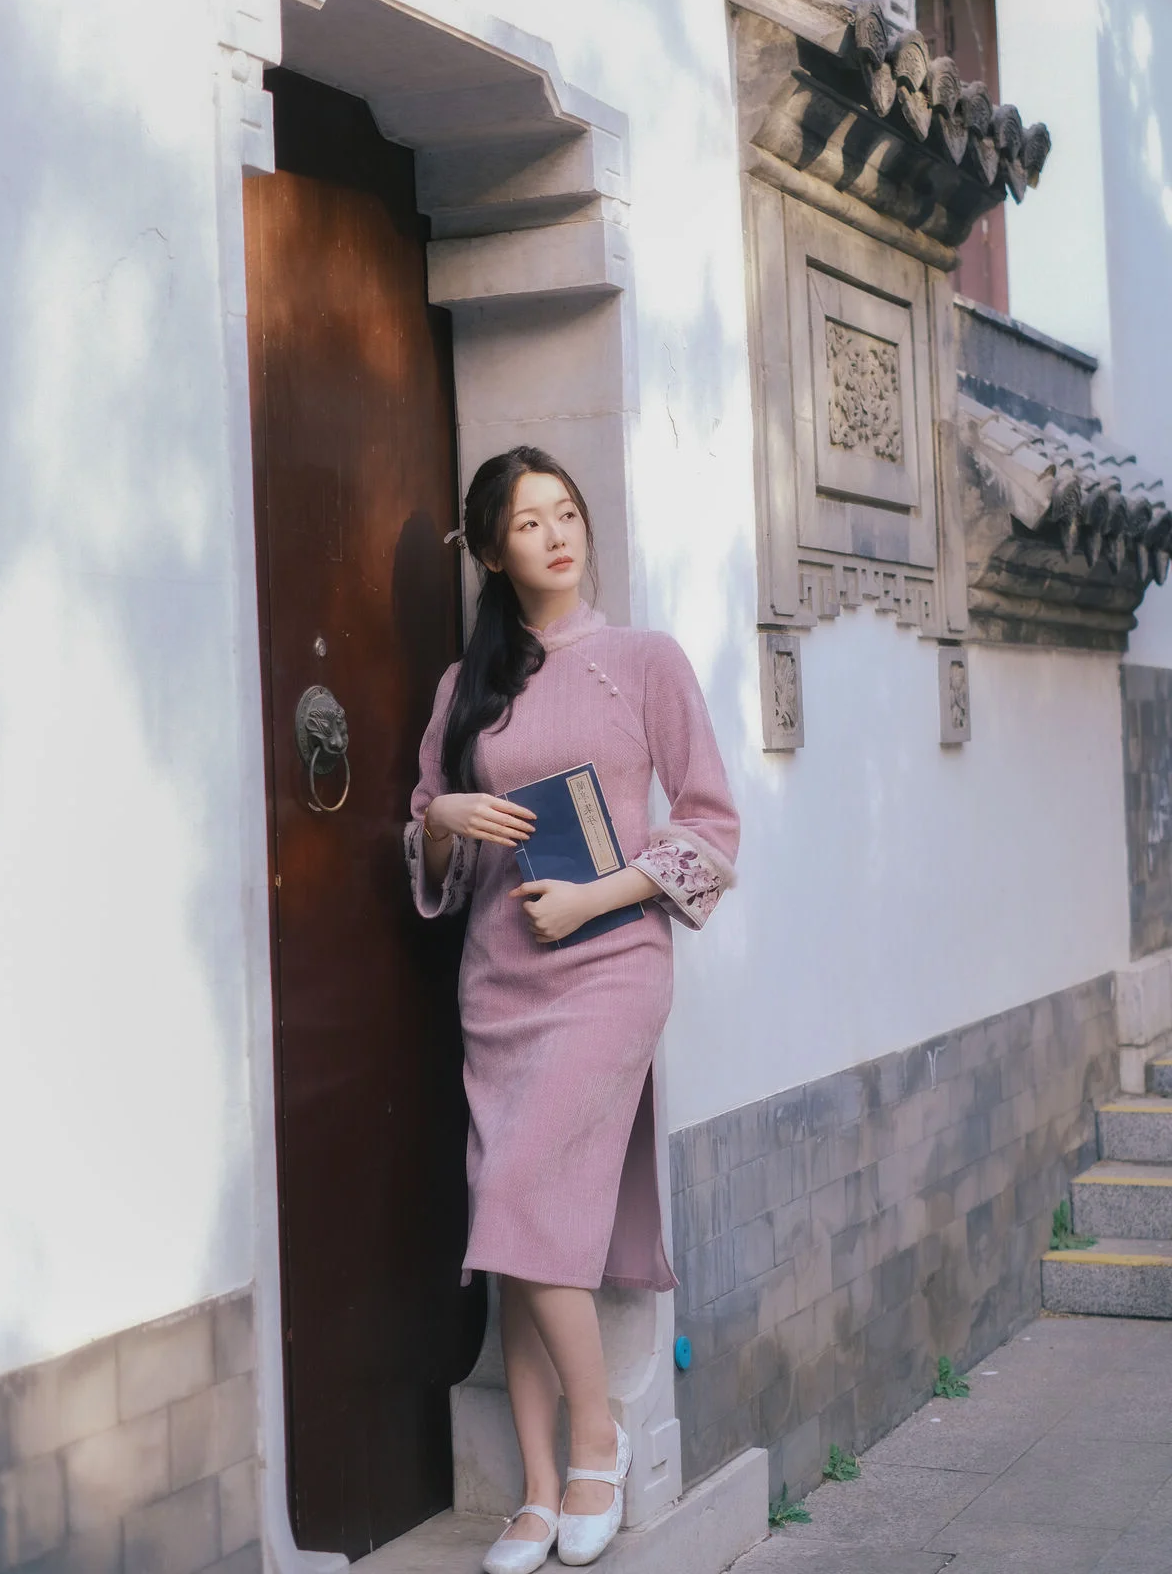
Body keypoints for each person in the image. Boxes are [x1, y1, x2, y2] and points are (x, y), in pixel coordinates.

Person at [405, 445, 739, 1572]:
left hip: (611, 964)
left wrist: (598, 894)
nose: (555, 535)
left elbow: (710, 827)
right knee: (519, 1234)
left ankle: (598, 1441)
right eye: (527, 521)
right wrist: (445, 815)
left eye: (566, 513)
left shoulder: (643, 661)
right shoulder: (465, 689)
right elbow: (433, 853)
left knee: (512, 1192)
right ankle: (541, 1493)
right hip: (500, 979)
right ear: (493, 551)